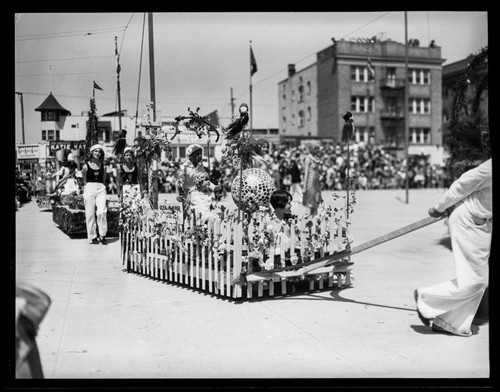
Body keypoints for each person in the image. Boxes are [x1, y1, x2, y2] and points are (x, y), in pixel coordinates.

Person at [414, 158, 492, 336]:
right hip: (467, 221)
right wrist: (440, 207)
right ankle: (425, 297)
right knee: (476, 280)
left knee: (478, 280)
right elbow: (462, 184)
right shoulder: (490, 168)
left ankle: (450, 323)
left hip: (484, 224)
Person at [177, 144, 220, 222]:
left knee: (200, 212)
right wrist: (181, 193)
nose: (200, 156)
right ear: (190, 156)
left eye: (201, 154)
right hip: (187, 194)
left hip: (197, 193)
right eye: (197, 154)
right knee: (187, 214)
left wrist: (214, 187)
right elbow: (180, 181)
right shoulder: (184, 167)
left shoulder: (200, 167)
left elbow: (204, 180)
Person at [81, 144, 108, 245]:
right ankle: (93, 236)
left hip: (101, 188)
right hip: (89, 188)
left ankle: (102, 234)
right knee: (90, 213)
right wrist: (86, 189)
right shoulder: (85, 166)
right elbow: (84, 180)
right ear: (92, 153)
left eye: (99, 151)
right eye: (95, 151)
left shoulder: (104, 166)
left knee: (101, 212)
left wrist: (102, 188)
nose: (97, 153)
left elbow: (104, 180)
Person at [302, 141, 323, 216]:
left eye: (318, 148)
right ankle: (306, 223)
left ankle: (314, 222)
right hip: (310, 183)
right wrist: (304, 187)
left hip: (317, 183)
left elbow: (319, 171)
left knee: (316, 204)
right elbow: (306, 173)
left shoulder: (316, 159)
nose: (317, 150)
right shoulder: (308, 159)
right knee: (310, 204)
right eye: (315, 148)